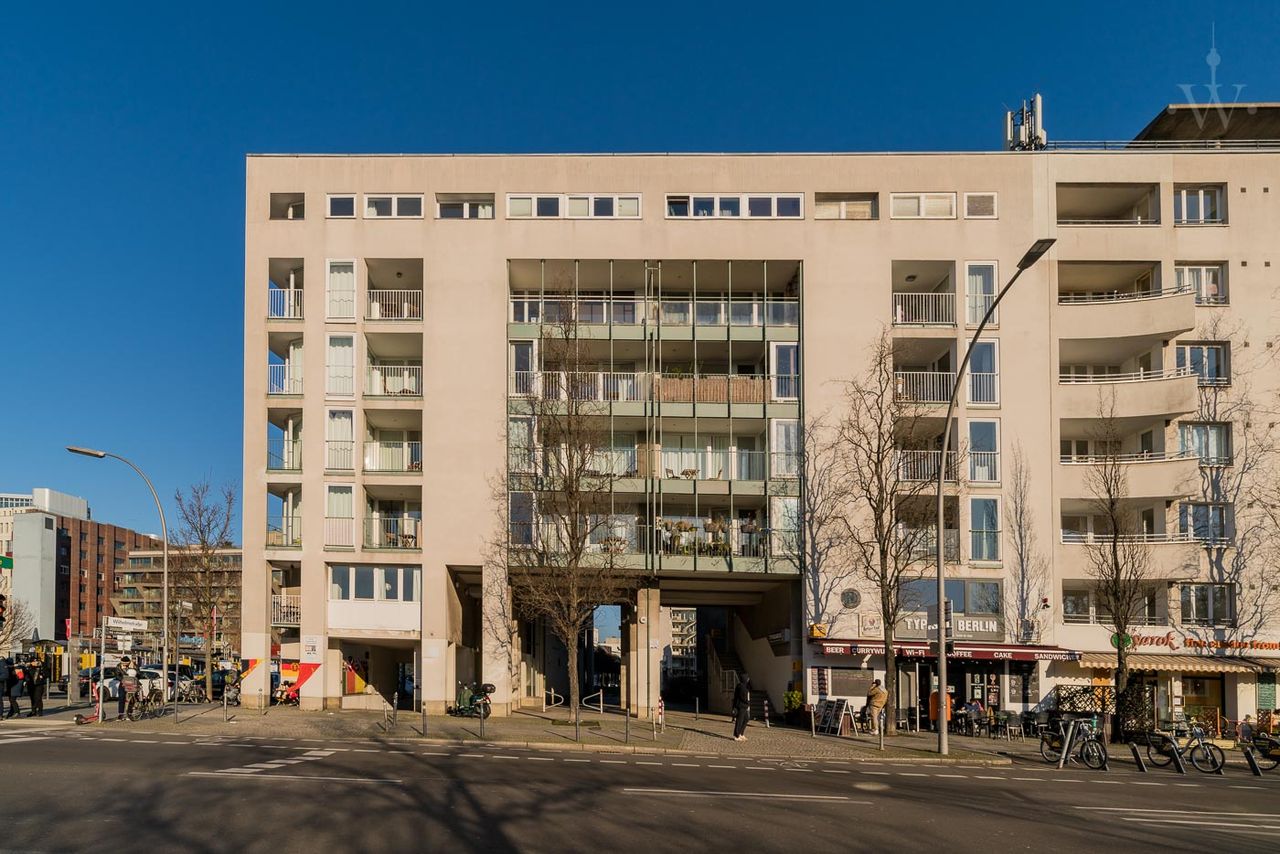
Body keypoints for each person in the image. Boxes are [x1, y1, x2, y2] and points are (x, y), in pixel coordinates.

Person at [731, 672, 751, 742]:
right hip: (741, 706)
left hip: (744, 706)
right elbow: (743, 698)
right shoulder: (741, 687)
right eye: (747, 678)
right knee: (739, 721)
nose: (748, 679)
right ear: (745, 679)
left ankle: (741, 734)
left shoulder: (743, 686)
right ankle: (736, 735)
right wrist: (748, 703)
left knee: (746, 719)